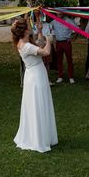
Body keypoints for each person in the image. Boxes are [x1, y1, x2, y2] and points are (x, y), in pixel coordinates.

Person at [11, 18, 58, 153]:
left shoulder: (24, 43)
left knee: (38, 104)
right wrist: (49, 39)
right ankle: (39, 139)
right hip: (36, 76)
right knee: (39, 104)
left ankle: (41, 135)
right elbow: (46, 52)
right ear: (25, 30)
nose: (32, 26)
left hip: (33, 75)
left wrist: (41, 31)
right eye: (30, 26)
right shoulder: (26, 46)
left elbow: (39, 44)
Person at [51, 15, 76, 84]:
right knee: (59, 60)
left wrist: (72, 37)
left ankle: (71, 77)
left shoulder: (68, 21)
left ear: (62, 13)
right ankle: (60, 76)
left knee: (69, 59)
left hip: (66, 42)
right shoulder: (54, 21)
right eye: (57, 13)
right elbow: (49, 28)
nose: (58, 14)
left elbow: (76, 29)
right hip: (58, 42)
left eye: (60, 13)